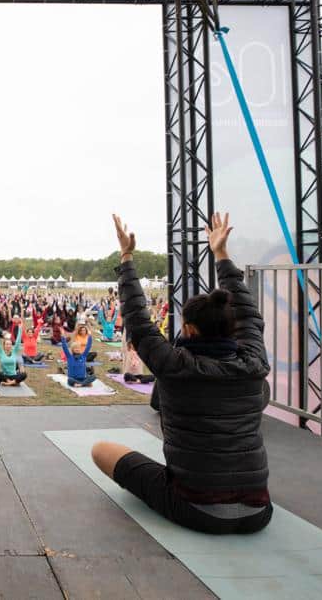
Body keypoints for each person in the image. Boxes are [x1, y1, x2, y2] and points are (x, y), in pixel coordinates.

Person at [91, 212, 273, 535]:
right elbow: (248, 313)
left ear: (188, 328)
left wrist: (126, 255)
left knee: (101, 451)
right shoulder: (254, 362)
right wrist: (221, 255)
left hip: (195, 507)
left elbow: (137, 321)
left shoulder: (176, 367)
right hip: (259, 510)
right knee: (254, 403)